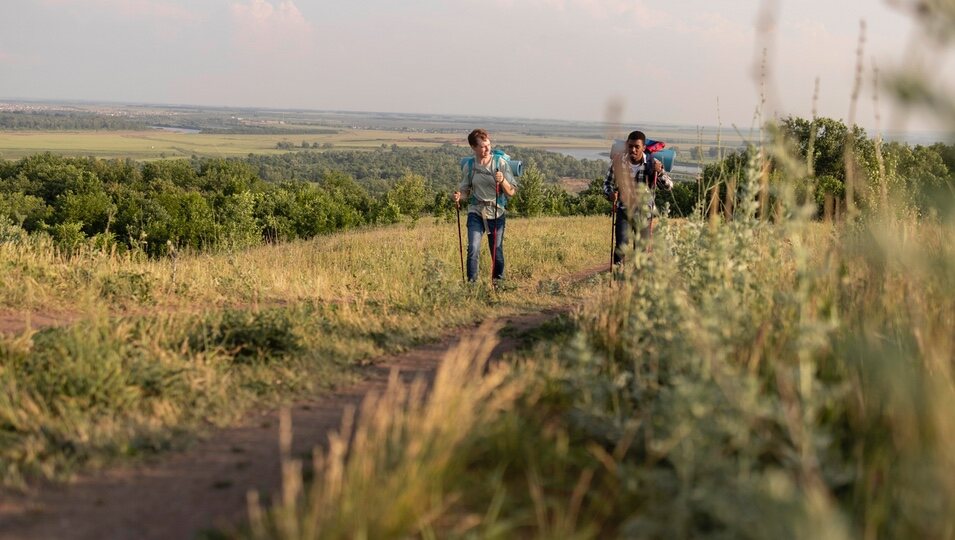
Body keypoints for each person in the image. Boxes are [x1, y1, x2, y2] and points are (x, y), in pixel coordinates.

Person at [453, 129, 516, 282]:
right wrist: (459, 197)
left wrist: (502, 180)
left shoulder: (499, 163)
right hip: (476, 211)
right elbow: (466, 190)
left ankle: (498, 283)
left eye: (488, 145)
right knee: (473, 249)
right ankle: (471, 286)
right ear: (473, 147)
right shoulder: (470, 165)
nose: (487, 149)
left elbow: (511, 192)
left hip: (496, 212)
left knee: (496, 251)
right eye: (482, 146)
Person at [603, 130, 673, 264]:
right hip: (624, 209)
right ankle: (619, 280)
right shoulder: (618, 162)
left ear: (644, 148)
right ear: (626, 146)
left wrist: (659, 172)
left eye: (637, 147)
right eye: (630, 146)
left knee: (641, 250)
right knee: (620, 247)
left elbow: (669, 186)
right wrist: (610, 194)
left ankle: (637, 281)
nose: (633, 150)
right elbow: (607, 183)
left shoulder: (653, 164)